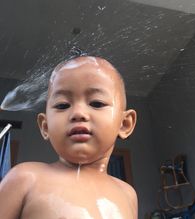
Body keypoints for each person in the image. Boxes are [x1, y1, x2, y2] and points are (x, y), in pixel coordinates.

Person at [0, 55, 138, 219]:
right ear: (45, 126)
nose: (78, 113)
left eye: (96, 103)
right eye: (62, 105)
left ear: (124, 124)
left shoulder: (128, 194)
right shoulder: (25, 178)